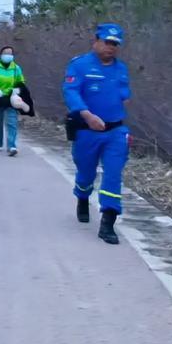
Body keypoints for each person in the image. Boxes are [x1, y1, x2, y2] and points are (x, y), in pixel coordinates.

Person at [63, 23, 131, 245]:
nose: (110, 47)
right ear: (96, 41)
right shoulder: (79, 65)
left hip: (115, 131)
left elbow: (124, 94)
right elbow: (71, 92)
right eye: (107, 42)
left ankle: (108, 222)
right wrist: (87, 115)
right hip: (87, 131)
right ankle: (82, 196)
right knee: (86, 172)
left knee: (113, 174)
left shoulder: (121, 69)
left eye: (115, 44)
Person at [0, 45, 24, 156]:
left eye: (10, 53)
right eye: (6, 53)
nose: (8, 55)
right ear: (1, 54)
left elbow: (20, 80)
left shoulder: (16, 68)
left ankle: (12, 146)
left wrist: (18, 89)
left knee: (12, 122)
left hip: (11, 98)